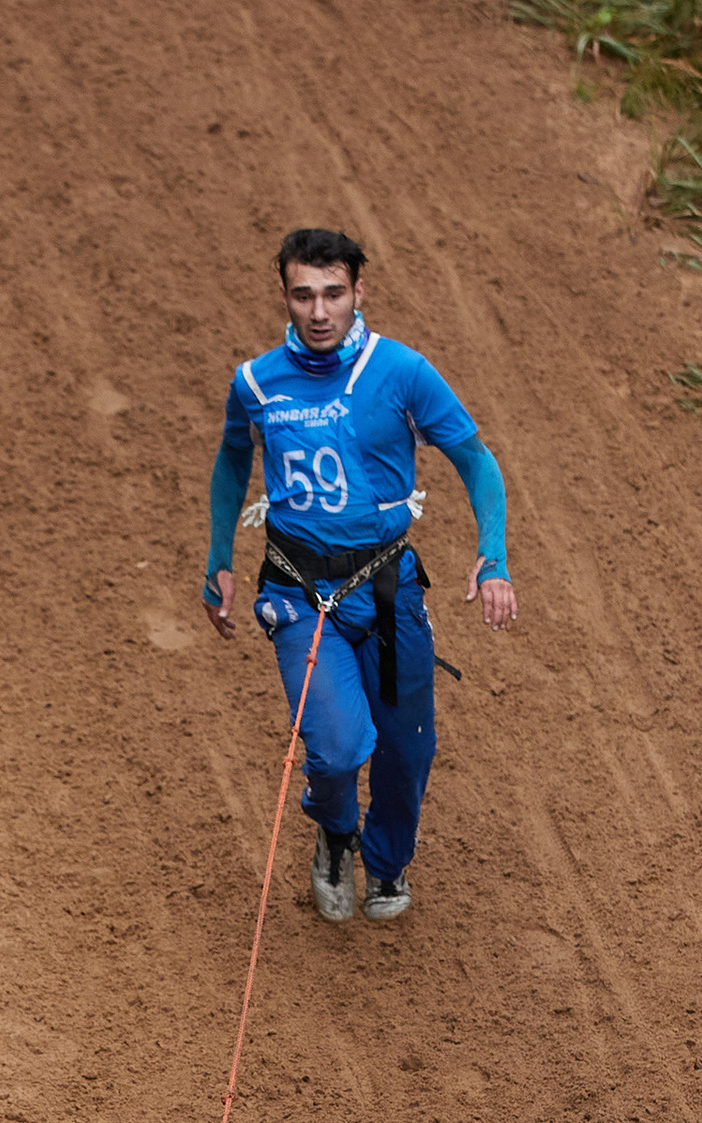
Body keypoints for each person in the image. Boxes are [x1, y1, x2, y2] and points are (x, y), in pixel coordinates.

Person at [202, 225, 516, 924]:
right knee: (338, 748)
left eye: (334, 294)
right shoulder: (255, 382)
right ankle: (336, 834)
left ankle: (387, 860)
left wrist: (491, 556)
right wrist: (219, 559)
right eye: (303, 295)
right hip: (297, 590)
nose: (319, 312)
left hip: (387, 585)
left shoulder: (402, 371)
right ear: (284, 296)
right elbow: (231, 461)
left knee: (407, 750)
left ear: (359, 292)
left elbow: (477, 460)